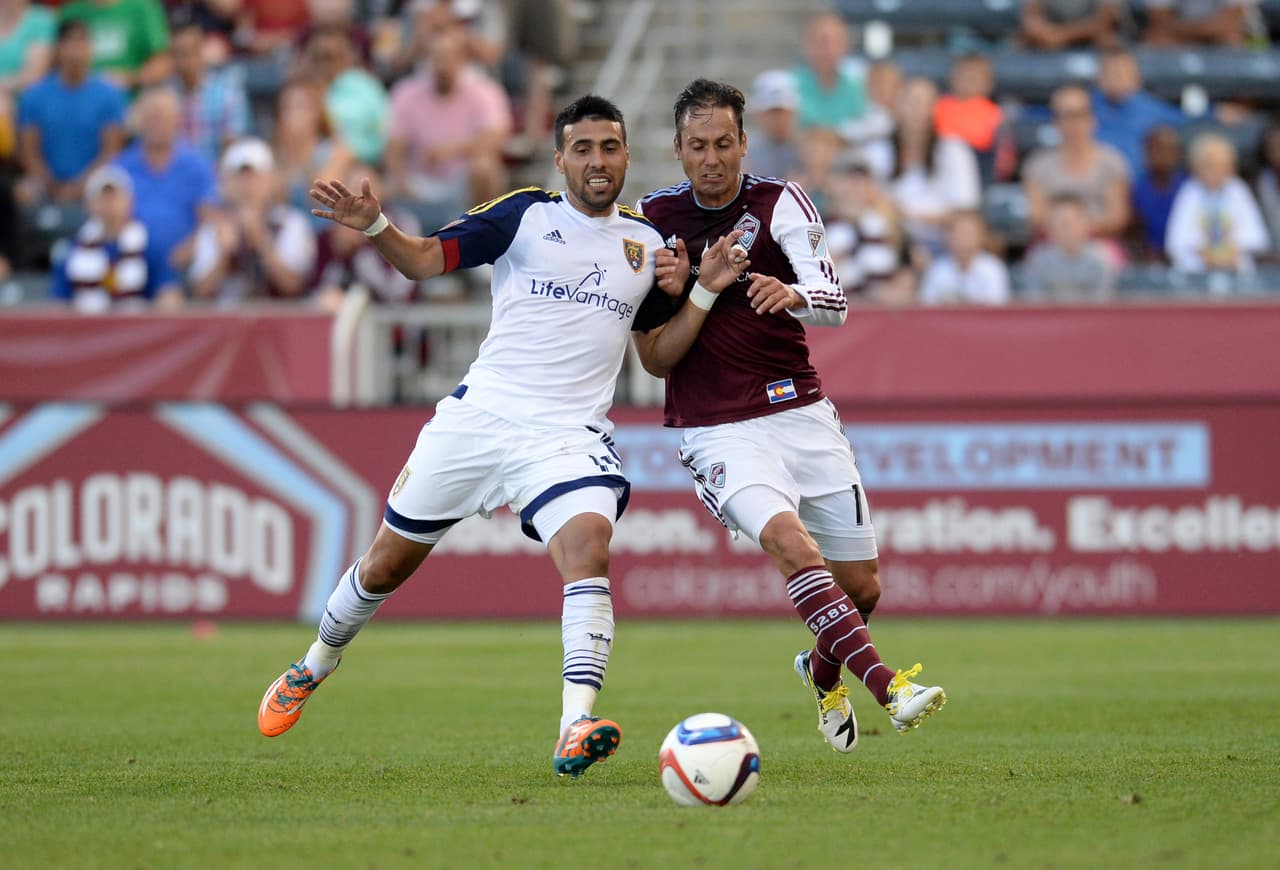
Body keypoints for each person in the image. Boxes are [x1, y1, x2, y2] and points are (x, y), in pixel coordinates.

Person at [256, 94, 751, 779]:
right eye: (583, 149)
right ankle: (314, 664)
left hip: (565, 435)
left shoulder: (646, 248)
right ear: (560, 160)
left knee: (588, 546)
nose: (597, 161)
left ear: (627, 156)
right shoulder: (525, 214)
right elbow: (427, 261)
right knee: (382, 569)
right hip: (480, 419)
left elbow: (658, 358)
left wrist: (696, 293)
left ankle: (575, 724)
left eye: (609, 147)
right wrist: (376, 227)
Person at [635, 79, 947, 754]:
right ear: (679, 149)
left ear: (745, 143)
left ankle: (820, 666)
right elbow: (652, 355)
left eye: (724, 143)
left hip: (799, 410)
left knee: (862, 587)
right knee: (792, 546)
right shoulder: (651, 220)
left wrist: (793, 291)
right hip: (715, 424)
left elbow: (834, 299)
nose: (712, 158)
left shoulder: (780, 202)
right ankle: (889, 686)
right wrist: (690, 291)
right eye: (697, 146)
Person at [113, 85, 217, 297]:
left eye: (164, 117)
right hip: (130, 262)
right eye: (152, 117)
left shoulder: (196, 165)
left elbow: (210, 217)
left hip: (182, 267)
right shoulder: (121, 167)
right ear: (140, 121)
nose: (158, 124)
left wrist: (190, 248)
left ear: (176, 121)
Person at [189, 136, 317, 303]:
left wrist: (262, 242)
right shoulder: (214, 227)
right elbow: (199, 292)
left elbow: (296, 286)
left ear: (270, 180)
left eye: (255, 177)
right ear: (227, 184)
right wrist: (223, 255)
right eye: (240, 178)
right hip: (226, 324)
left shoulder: (291, 223)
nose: (248, 186)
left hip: (279, 324)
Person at [16, 18, 125, 206]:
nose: (76, 51)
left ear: (90, 48)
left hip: (94, 180)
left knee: (115, 190)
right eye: (70, 43)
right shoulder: (35, 95)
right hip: (48, 182)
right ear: (58, 49)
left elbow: (110, 152)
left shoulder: (109, 95)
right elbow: (29, 152)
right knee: (23, 191)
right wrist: (51, 184)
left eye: (82, 43)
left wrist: (79, 187)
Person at [50, 163, 183, 310]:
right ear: (89, 204)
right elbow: (58, 304)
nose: (109, 204)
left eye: (114, 197)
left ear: (130, 201)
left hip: (135, 329)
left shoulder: (149, 246)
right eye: (102, 198)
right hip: (86, 330)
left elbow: (168, 295)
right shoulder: (72, 249)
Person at [1023, 84, 1130, 251]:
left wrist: (1079, 230)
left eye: (1079, 114)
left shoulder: (1111, 162)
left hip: (1099, 242)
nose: (1073, 123)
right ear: (1056, 122)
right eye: (1066, 115)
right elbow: (1036, 215)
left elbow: (1117, 217)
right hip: (1052, 244)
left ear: (1092, 118)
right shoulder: (1038, 165)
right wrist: (1064, 231)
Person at [1165, 130, 1268, 273]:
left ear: (1231, 167)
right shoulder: (1189, 192)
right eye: (1209, 165)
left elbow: (1256, 238)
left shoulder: (1238, 190)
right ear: (1196, 167)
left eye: (1221, 165)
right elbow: (1177, 242)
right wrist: (1204, 256)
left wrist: (1232, 254)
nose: (1215, 171)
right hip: (1197, 272)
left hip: (1235, 269)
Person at [1091, 48, 1185, 176]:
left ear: (1136, 78)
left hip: (1140, 187)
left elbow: (1187, 120)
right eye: (1110, 73)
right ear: (1099, 78)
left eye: (1122, 73)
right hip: (1094, 186)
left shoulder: (1152, 108)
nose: (1116, 79)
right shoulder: (1083, 108)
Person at [57, 0, 172, 90]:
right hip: (80, 103)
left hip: (131, 105)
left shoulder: (142, 8)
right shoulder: (71, 12)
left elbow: (163, 62)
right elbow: (56, 61)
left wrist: (128, 80)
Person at [1021, 194, 1115, 300]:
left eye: (1069, 223)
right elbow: (1034, 303)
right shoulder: (1038, 260)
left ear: (1086, 224)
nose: (1065, 230)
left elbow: (1103, 304)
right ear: (1049, 227)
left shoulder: (1100, 259)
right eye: (1059, 223)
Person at [917, 209, 1011, 305]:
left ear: (981, 236)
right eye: (959, 233)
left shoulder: (993, 269)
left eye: (969, 233)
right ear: (948, 237)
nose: (964, 239)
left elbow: (997, 310)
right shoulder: (937, 269)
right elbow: (927, 307)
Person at [1131, 124, 1187, 260]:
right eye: (1154, 148)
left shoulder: (1188, 188)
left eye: (1166, 149)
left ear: (1177, 153)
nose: (1160, 155)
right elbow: (1136, 233)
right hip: (1149, 258)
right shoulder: (1139, 189)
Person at [744, 69, 800, 180]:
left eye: (783, 112)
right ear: (757, 114)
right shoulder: (744, 153)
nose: (778, 119)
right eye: (771, 113)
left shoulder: (808, 150)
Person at [1142, 0, 1259, 47]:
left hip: (1220, 37)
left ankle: (1236, 97)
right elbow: (1159, 20)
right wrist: (1202, 32)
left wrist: (1199, 32)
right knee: (1156, 39)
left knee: (1233, 39)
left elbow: (1232, 22)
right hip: (1179, 37)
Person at [1020, 0, 1125, 50]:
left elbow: (1104, 23)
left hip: (1092, 44)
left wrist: (1058, 36)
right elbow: (1031, 22)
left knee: (1109, 41)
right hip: (1048, 46)